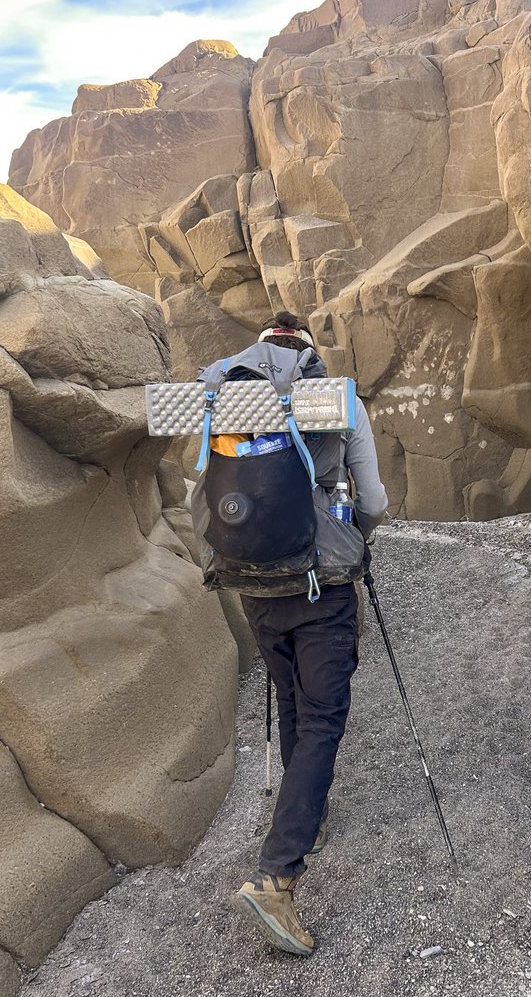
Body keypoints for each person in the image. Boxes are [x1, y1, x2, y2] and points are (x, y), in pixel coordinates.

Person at [230, 311, 388, 954]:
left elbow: (210, 502)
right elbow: (372, 501)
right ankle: (277, 876)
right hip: (322, 586)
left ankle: (310, 815)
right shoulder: (336, 398)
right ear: (308, 353)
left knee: (293, 699)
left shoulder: (230, 398)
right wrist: (349, 540)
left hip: (254, 584)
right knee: (323, 719)